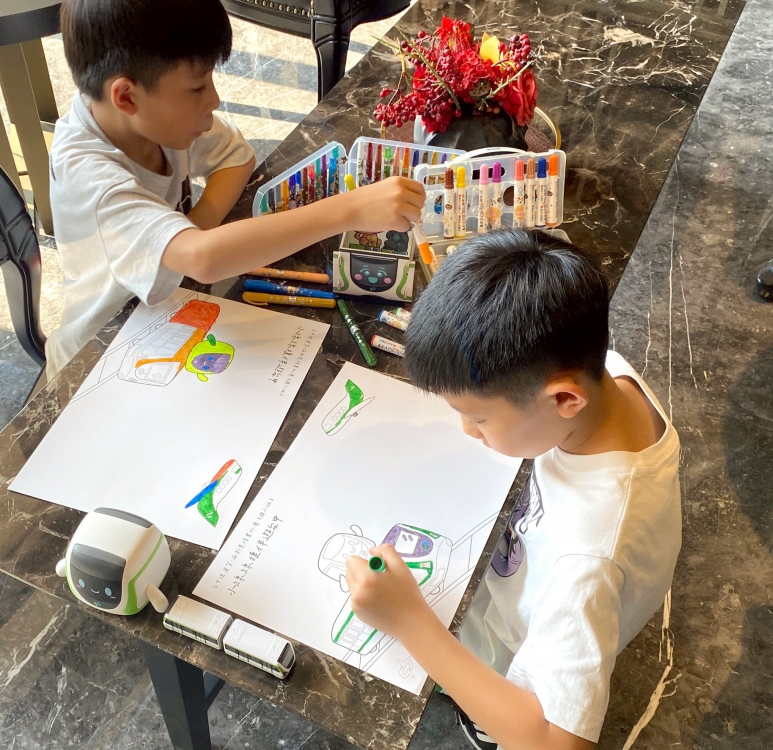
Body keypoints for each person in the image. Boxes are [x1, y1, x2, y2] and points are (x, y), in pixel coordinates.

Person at [345, 229, 681, 750]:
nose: (467, 431)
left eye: (477, 417)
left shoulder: (587, 559)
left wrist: (409, 621)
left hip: (509, 675)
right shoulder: (609, 375)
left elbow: (555, 742)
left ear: (564, 399)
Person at [46, 0, 424, 379]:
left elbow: (236, 157)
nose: (213, 100)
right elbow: (203, 258)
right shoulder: (90, 177)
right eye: (197, 87)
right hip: (96, 356)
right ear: (126, 96)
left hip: (166, 312)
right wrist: (349, 209)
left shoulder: (148, 117)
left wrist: (195, 228)